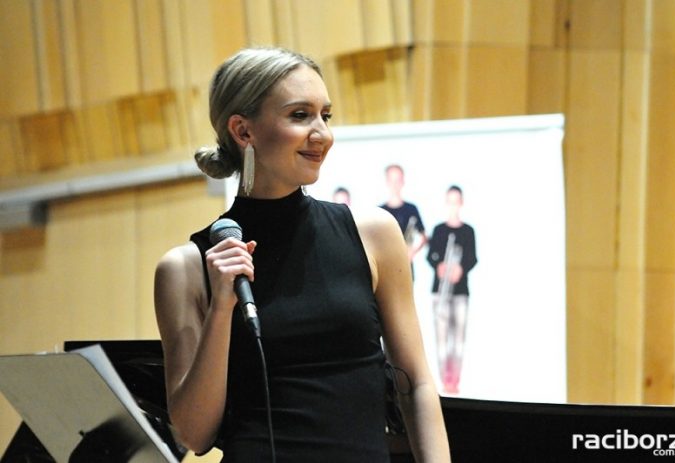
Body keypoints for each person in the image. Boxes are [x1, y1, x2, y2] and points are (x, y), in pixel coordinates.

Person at [154, 47, 449, 462]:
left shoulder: (375, 234)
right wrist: (222, 309)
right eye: (299, 115)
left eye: (325, 116)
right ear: (243, 131)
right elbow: (195, 435)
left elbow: (415, 383)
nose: (322, 134)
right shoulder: (186, 268)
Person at [426, 185, 477, 394]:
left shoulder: (468, 231)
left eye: (457, 201)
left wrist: (460, 269)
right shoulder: (438, 230)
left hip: (461, 292)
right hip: (440, 291)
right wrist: (440, 266)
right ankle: (443, 382)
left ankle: (454, 381)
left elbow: (472, 258)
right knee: (441, 338)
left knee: (458, 340)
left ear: (461, 203)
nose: (453, 205)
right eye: (450, 201)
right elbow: (431, 256)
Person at [379, 164, 427, 264]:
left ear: (403, 181)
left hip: (406, 265)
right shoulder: (379, 211)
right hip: (386, 265)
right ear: (387, 182)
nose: (395, 184)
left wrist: (413, 251)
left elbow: (424, 237)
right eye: (392, 180)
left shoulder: (411, 209)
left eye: (398, 180)